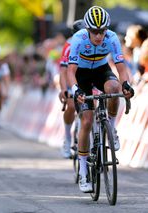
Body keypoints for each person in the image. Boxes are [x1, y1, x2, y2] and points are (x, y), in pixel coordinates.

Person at [67, 6, 134, 193]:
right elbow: (71, 71)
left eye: (102, 31)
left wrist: (126, 84)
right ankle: (83, 171)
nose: (98, 36)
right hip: (81, 75)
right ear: (87, 30)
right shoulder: (78, 39)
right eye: (95, 32)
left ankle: (111, 128)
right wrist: (76, 90)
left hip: (101, 70)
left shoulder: (112, 37)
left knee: (114, 88)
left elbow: (120, 67)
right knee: (87, 120)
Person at [59, 19, 86, 159]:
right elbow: (63, 71)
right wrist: (64, 89)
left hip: (88, 75)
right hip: (72, 75)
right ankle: (67, 137)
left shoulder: (92, 40)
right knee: (71, 105)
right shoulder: (69, 45)